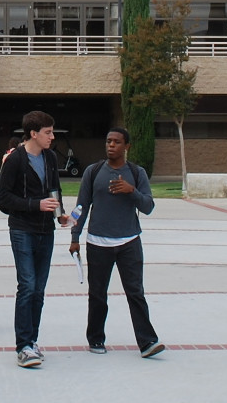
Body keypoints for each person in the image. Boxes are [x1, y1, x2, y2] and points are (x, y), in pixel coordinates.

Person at [69, 127, 164, 359]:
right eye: (108, 141)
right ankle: (96, 339)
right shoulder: (93, 172)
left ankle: (147, 342)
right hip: (97, 243)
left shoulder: (136, 172)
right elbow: (81, 206)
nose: (111, 145)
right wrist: (74, 237)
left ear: (126, 146)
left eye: (116, 142)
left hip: (129, 241)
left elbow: (148, 207)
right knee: (98, 294)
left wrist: (131, 191)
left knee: (135, 293)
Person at [0, 110, 72, 368]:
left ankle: (32, 341)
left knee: (39, 289)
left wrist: (60, 214)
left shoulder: (50, 158)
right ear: (33, 133)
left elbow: (55, 190)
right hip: (22, 229)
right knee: (27, 285)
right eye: (48, 132)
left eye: (52, 132)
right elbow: (3, 199)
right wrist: (35, 205)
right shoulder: (15, 160)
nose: (52, 137)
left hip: (46, 230)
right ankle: (23, 346)